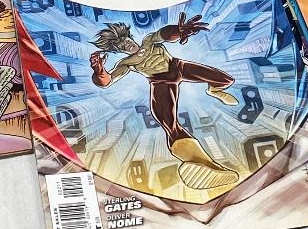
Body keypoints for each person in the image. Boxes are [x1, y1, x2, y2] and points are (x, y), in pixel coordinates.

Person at [90, 13, 240, 192]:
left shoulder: (148, 41)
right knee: (170, 125)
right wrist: (99, 71)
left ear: (130, 36)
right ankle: (206, 164)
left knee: (225, 80)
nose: (127, 45)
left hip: (178, 67)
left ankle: (214, 90)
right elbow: (107, 81)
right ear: (119, 50)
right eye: (122, 46)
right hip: (161, 82)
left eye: (126, 41)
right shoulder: (127, 63)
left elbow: (164, 34)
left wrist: (180, 30)